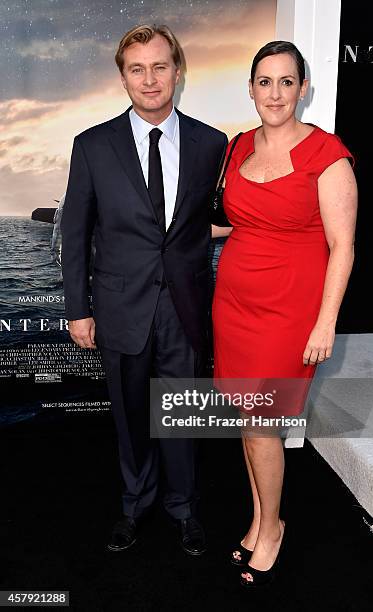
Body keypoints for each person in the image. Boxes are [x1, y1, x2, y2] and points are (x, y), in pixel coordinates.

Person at [61, 24, 227, 556]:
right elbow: (76, 231)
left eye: (160, 66)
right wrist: (78, 310)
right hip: (119, 307)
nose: (150, 79)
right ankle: (134, 505)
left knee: (181, 411)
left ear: (178, 71)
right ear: (123, 77)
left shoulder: (211, 143)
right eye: (137, 69)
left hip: (184, 304)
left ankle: (183, 508)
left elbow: (211, 220)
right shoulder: (91, 145)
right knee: (132, 417)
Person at [212, 40, 357, 587]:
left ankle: (272, 530)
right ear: (251, 89)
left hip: (290, 310)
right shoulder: (238, 146)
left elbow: (342, 246)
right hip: (235, 304)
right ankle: (258, 519)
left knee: (260, 424)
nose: (275, 93)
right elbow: (230, 222)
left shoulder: (327, 154)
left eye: (287, 81)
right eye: (265, 82)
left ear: (303, 89)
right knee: (249, 425)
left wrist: (326, 322)